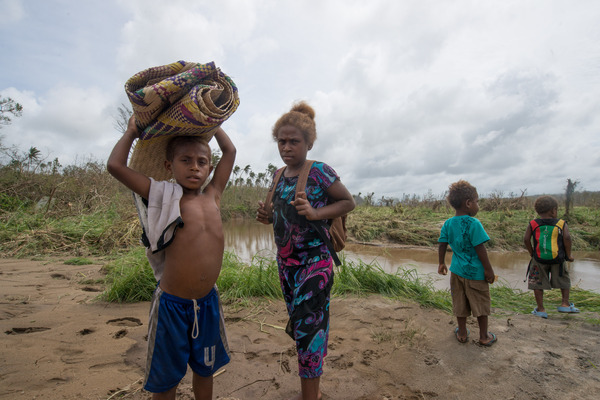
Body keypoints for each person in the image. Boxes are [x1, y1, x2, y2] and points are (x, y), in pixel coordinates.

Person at [107, 115, 236, 400]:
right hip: (172, 306)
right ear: (169, 166)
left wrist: (211, 121)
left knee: (205, 370)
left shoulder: (213, 195)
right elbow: (115, 166)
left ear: (210, 168)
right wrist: (131, 131)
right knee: (167, 379)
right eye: (185, 160)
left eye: (202, 162)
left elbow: (230, 151)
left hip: (207, 304)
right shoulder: (162, 194)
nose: (195, 167)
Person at [256, 102, 355, 400]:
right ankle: (313, 384)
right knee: (306, 325)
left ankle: (311, 395)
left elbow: (348, 202)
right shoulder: (277, 175)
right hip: (286, 265)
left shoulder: (320, 172)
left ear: (309, 143)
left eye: (294, 141)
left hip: (315, 265)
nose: (287, 147)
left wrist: (315, 212)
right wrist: (267, 216)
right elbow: (280, 217)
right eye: (281, 141)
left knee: (308, 330)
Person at [438, 180, 497, 346]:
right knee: (481, 305)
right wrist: (489, 270)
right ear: (468, 203)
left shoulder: (448, 223)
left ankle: (462, 333)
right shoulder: (474, 224)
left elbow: (442, 244)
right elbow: (480, 249)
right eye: (477, 202)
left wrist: (441, 263)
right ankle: (484, 336)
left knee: (460, 303)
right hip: (475, 273)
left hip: (456, 272)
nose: (478, 205)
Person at [524, 195, 578, 318]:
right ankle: (564, 304)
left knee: (537, 283)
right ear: (553, 210)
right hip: (558, 260)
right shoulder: (561, 223)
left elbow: (526, 239)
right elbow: (567, 238)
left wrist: (532, 253)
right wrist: (569, 255)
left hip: (538, 259)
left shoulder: (533, 224)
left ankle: (541, 309)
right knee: (563, 280)